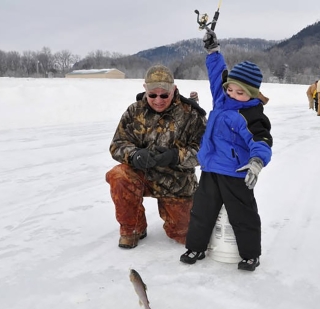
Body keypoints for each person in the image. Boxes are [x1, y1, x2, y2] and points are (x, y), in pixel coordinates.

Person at [180, 29, 273, 272]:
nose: (232, 94)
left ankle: (251, 254)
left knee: (243, 216)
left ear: (252, 94)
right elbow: (216, 75)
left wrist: (257, 161)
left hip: (236, 173)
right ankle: (196, 247)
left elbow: (261, 140)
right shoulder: (223, 100)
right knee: (202, 211)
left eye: (240, 92)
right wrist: (213, 52)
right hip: (211, 169)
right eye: (231, 89)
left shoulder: (251, 115)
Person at [105, 64, 207, 249]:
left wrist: (175, 156)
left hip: (177, 181)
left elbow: (206, 152)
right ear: (145, 89)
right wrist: (135, 155)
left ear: (173, 90)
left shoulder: (191, 114)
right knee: (118, 175)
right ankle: (133, 228)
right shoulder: (134, 112)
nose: (158, 100)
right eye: (152, 95)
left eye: (164, 95)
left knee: (183, 235)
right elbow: (117, 145)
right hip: (143, 175)